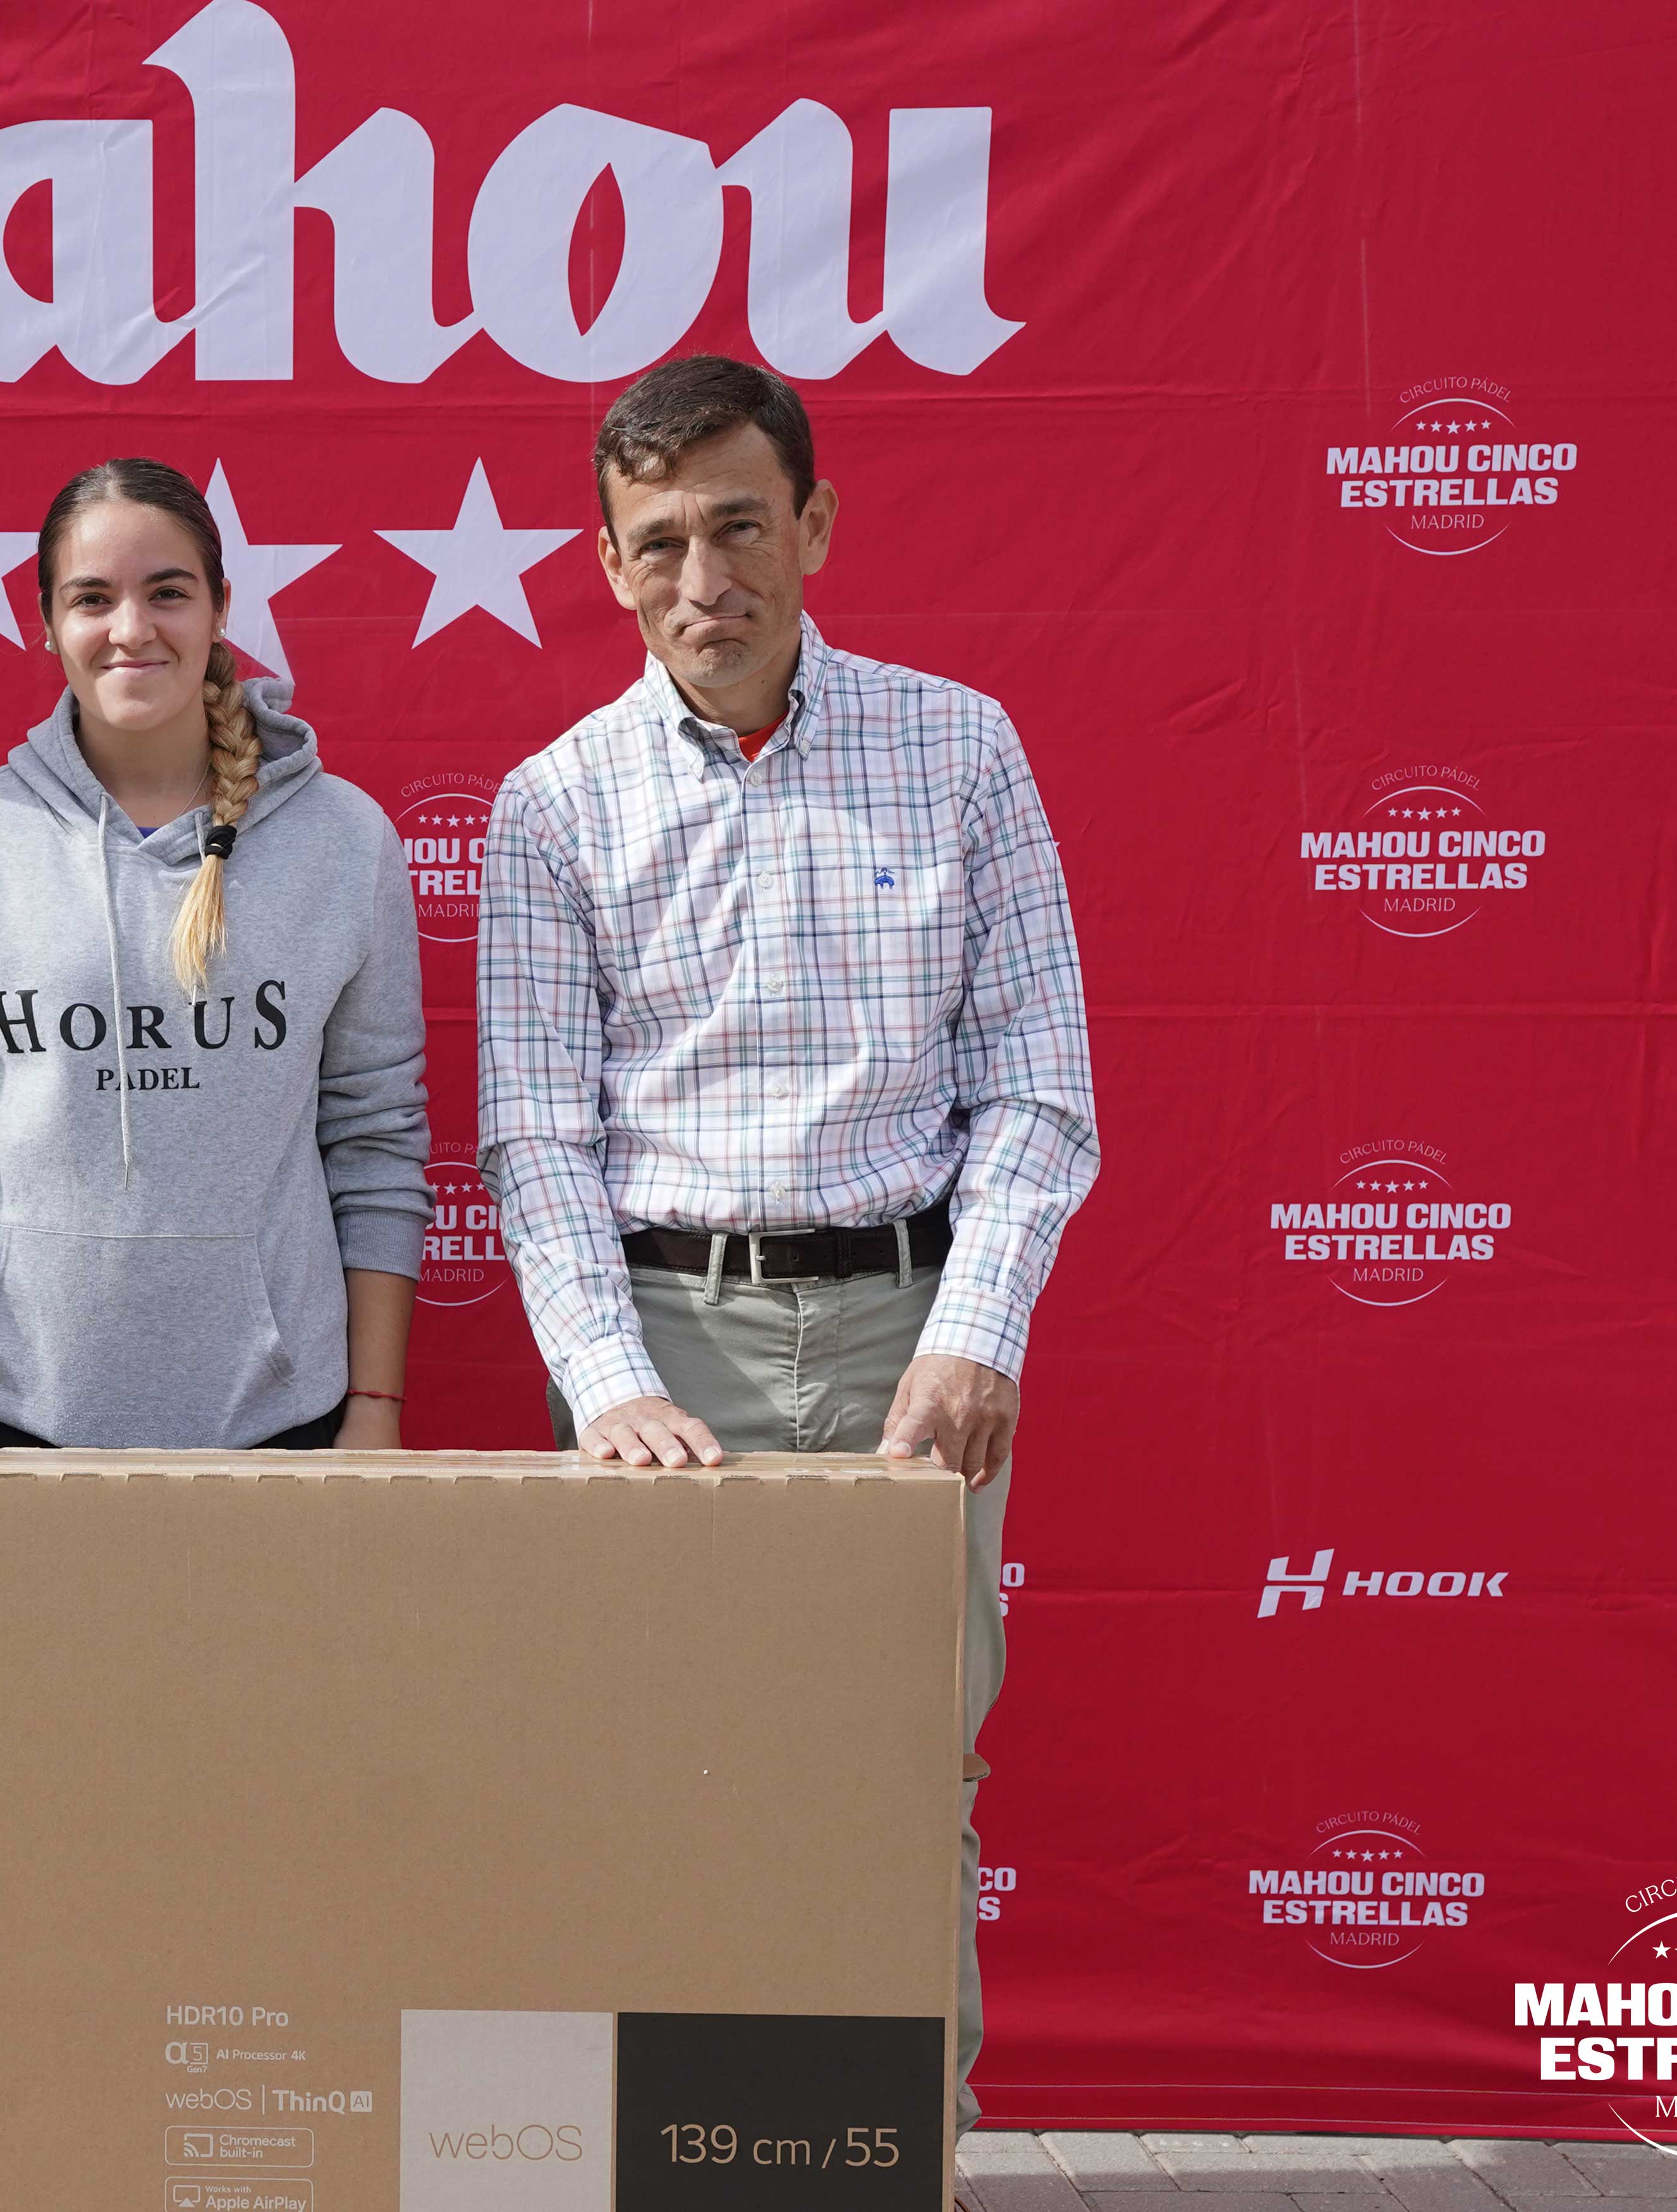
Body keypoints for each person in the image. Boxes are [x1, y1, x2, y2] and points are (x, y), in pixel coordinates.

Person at [475, 355, 1099, 2148]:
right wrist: (609, 1385)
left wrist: (976, 1330)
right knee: (657, 1787)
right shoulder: (555, 804)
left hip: (917, 1338)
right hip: (667, 1348)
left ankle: (903, 2168)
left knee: (904, 1784)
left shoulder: (960, 750)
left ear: (813, 527)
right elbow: (538, 1139)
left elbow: (1041, 1086)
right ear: (609, 563)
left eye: (741, 528)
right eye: (661, 541)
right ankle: (683, 2168)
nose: (707, 581)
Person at [0, 459, 429, 1451]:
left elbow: (376, 1142)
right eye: (92, 599)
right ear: (46, 623)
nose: (132, 629)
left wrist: (374, 1407)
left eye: (169, 593)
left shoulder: (344, 842)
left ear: (222, 607)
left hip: (277, 1416)